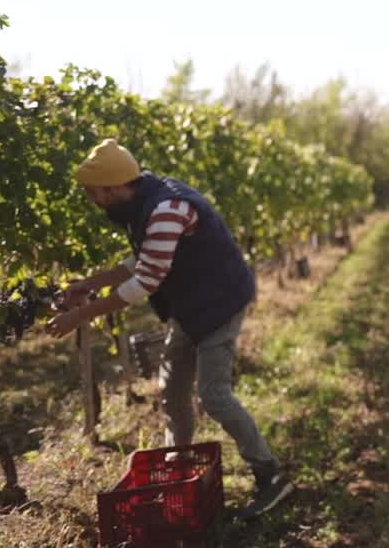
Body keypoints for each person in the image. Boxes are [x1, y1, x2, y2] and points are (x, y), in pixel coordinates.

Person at [46, 138, 292, 519]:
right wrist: (87, 284)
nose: (94, 203)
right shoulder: (146, 202)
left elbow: (144, 280)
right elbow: (138, 259)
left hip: (220, 304)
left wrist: (79, 315)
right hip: (192, 306)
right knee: (172, 388)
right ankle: (175, 467)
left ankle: (270, 474)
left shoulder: (165, 208)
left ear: (113, 187)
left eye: (95, 195)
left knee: (214, 395)